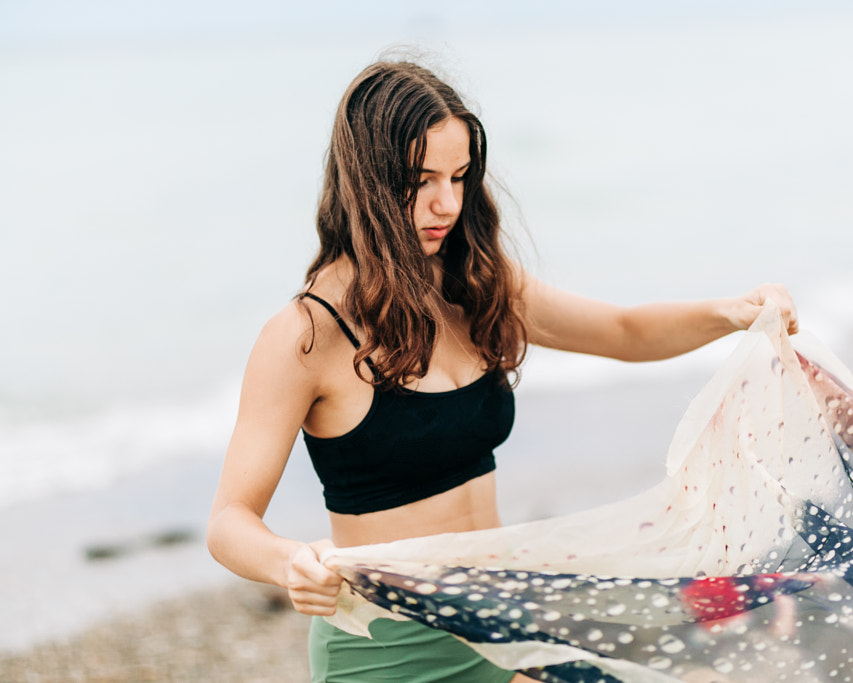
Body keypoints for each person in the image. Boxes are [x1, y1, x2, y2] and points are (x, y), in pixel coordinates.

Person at [206, 59, 798, 683]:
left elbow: (622, 332)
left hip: (502, 624)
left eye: (459, 177)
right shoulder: (306, 335)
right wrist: (290, 561)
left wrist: (730, 312)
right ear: (367, 182)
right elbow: (228, 521)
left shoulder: (475, 285)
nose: (447, 203)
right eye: (421, 179)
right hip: (388, 651)